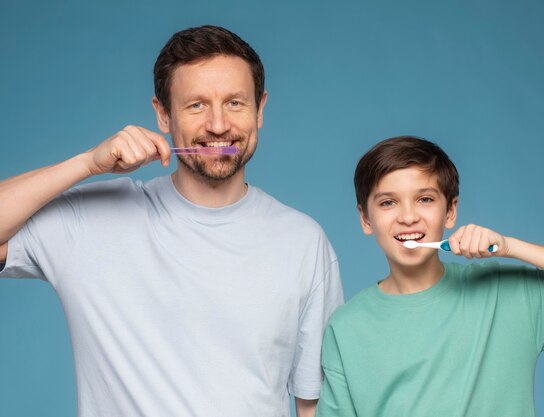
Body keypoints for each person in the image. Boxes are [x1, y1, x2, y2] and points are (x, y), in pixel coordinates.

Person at [0, 25, 343, 417]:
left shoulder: (303, 242)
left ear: (260, 109)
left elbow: (316, 406)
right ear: (163, 114)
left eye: (234, 103)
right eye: (196, 105)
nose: (218, 125)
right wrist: (86, 164)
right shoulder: (89, 223)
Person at [315, 136, 544, 417]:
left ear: (450, 211)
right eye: (387, 202)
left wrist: (512, 247)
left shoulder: (504, 292)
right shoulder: (346, 328)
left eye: (425, 199)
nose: (408, 216)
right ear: (366, 219)